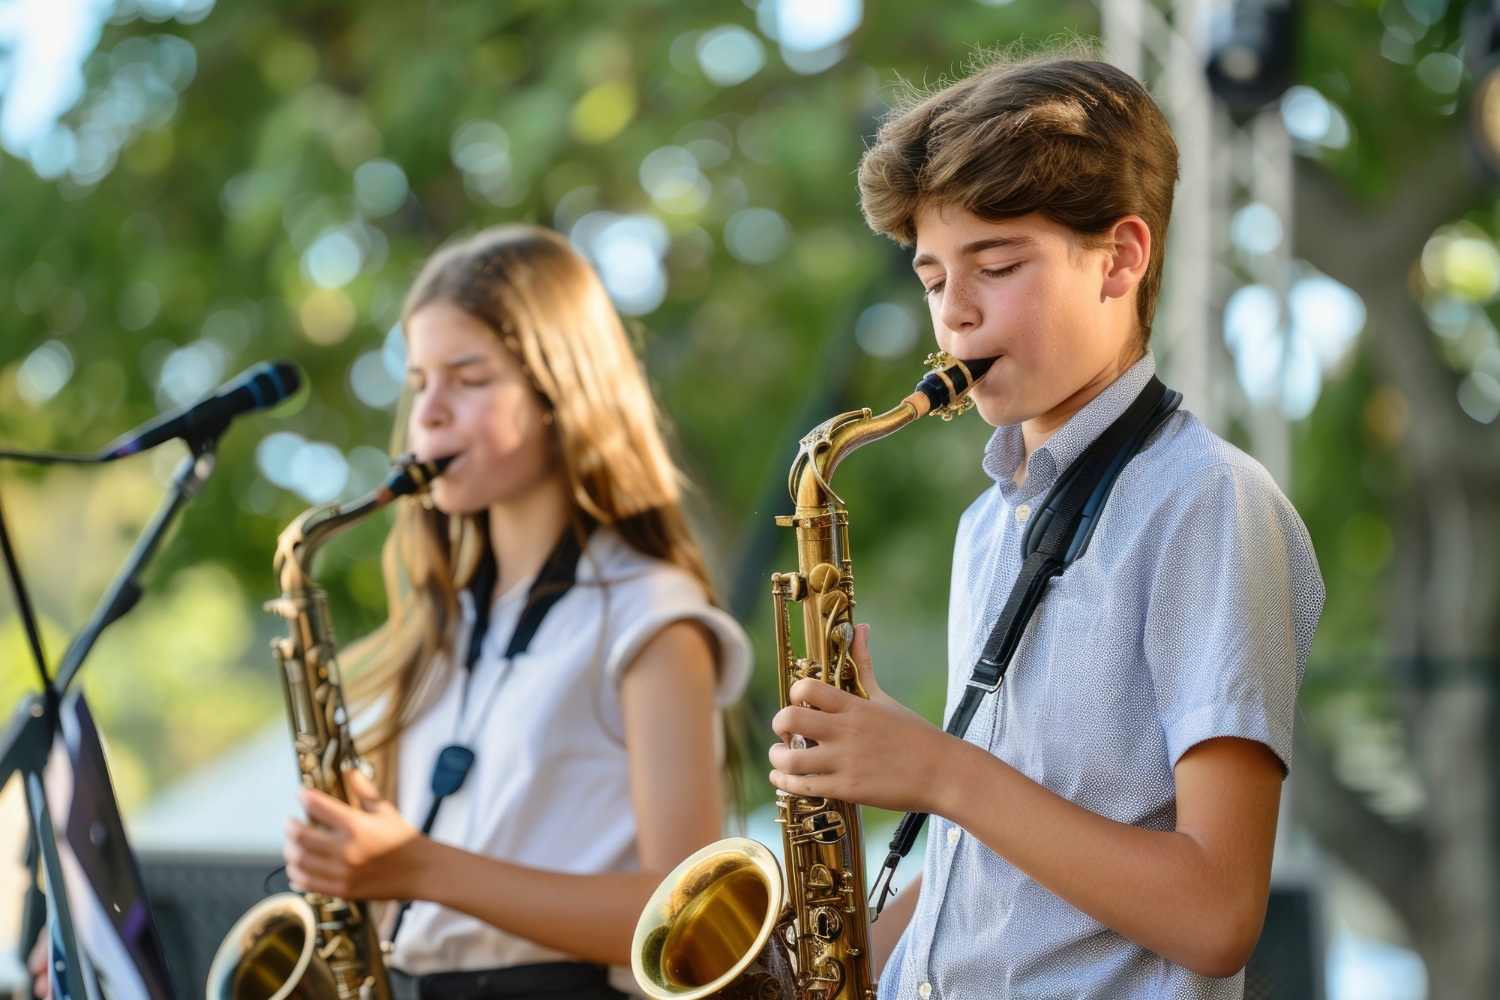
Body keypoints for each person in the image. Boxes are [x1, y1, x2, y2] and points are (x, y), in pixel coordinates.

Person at [767, 51, 1324, 997]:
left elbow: (1216, 914)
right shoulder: (987, 526)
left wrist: (939, 771)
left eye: (997, 264)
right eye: (934, 277)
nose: (956, 315)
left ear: (1122, 258)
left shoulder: (1207, 502)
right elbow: (994, 882)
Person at [280, 224, 751, 1000]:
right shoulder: (450, 622)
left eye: (468, 378)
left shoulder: (654, 614)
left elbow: (688, 912)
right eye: (419, 380)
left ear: (558, 394)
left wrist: (419, 867)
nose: (427, 414)